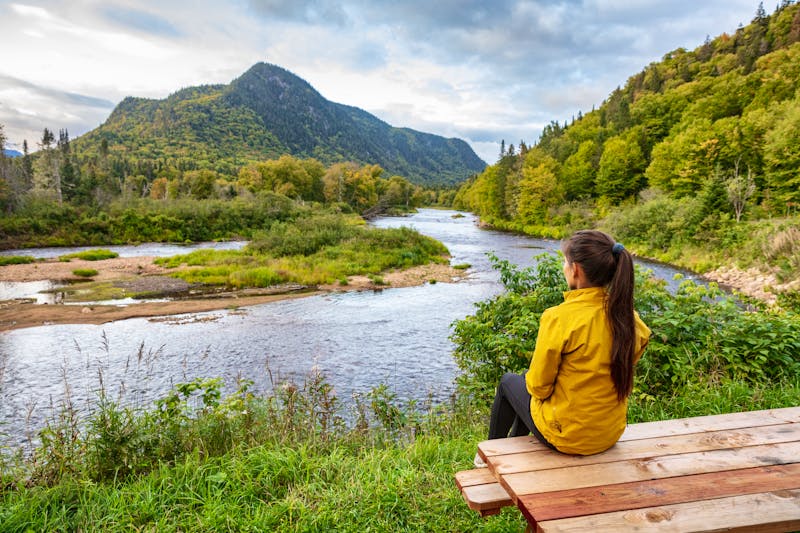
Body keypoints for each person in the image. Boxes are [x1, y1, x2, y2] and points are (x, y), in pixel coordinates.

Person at [476, 230, 651, 466]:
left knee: (510, 382)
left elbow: (538, 387)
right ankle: (510, 448)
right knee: (525, 386)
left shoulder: (560, 318)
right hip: (608, 433)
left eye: (565, 261)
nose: (564, 266)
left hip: (567, 436)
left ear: (575, 269)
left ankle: (488, 456)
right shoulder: (629, 319)